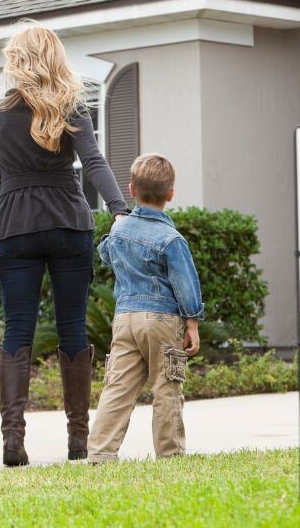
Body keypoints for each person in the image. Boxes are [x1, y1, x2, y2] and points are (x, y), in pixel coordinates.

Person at [0, 21, 130, 466]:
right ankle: (78, 441)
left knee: (17, 327)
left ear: (15, 59)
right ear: (55, 57)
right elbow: (95, 162)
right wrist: (118, 207)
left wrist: (12, 208)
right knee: (73, 327)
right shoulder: (72, 106)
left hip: (14, 225)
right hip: (69, 221)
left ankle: (13, 440)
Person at [87, 153, 204, 463]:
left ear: (131, 189)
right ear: (171, 195)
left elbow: (105, 254)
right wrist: (192, 323)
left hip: (124, 319)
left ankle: (100, 452)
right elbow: (186, 285)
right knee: (167, 385)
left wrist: (117, 225)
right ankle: (170, 454)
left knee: (118, 386)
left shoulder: (119, 231)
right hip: (162, 319)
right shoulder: (171, 239)